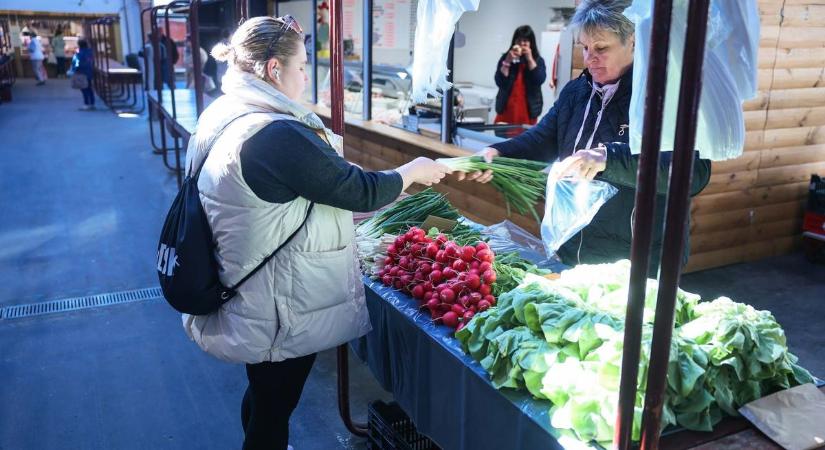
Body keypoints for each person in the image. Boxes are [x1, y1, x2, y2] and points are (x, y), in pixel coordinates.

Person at [180, 16, 451, 450]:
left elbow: (307, 180)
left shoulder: (227, 111)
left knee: (265, 394)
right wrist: (411, 172)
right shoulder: (274, 132)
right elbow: (356, 190)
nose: (307, 77)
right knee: (275, 403)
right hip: (276, 300)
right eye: (303, 66)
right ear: (274, 69)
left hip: (243, 278)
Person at [463, 0, 711, 275]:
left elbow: (694, 173)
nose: (589, 58)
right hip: (574, 248)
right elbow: (543, 139)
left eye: (601, 48)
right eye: (584, 47)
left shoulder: (664, 96)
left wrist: (608, 158)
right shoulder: (576, 91)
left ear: (633, 42)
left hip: (638, 258)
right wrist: (498, 152)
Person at [493, 25, 547, 125]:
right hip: (506, 111)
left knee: (527, 134)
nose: (522, 44)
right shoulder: (506, 58)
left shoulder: (538, 60)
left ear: (531, 43)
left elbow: (539, 80)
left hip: (528, 113)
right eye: (519, 40)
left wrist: (530, 59)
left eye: (525, 41)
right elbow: (499, 82)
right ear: (514, 42)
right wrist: (507, 61)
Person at [69, 40, 95, 110]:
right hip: (89, 72)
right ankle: (92, 103)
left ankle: (86, 104)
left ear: (79, 45)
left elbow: (75, 63)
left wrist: (74, 70)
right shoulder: (90, 52)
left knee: (84, 89)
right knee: (89, 88)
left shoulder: (79, 53)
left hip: (81, 73)